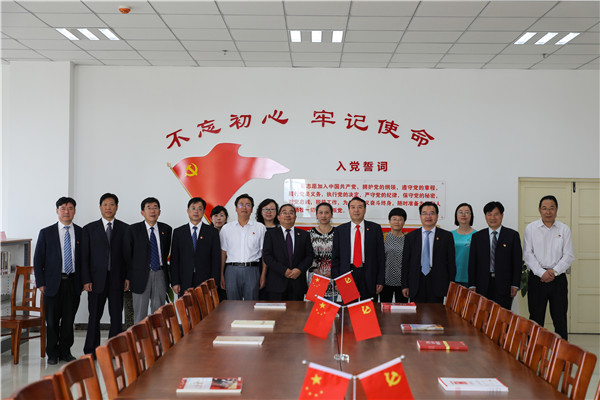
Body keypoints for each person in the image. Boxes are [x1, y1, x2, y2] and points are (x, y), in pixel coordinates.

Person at [33, 197, 82, 364]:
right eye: (63, 208)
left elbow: (85, 259)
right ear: (57, 211)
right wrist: (40, 283)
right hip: (52, 283)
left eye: (70, 208)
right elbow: (38, 260)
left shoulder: (81, 232)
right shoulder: (46, 233)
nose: (66, 211)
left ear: (74, 211)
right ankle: (52, 353)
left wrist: (84, 281)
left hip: (73, 282)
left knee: (68, 320)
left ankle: (65, 352)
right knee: (52, 321)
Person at [81, 193, 129, 356]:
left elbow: (128, 256)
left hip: (117, 279)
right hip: (95, 281)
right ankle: (91, 350)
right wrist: (86, 279)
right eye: (105, 204)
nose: (108, 208)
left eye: (112, 204)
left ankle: (113, 351)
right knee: (94, 316)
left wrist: (127, 277)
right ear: (100, 207)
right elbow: (84, 257)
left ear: (117, 207)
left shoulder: (125, 228)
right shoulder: (89, 229)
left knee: (116, 317)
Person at [524, 195, 574, 340]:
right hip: (537, 279)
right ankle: (533, 350)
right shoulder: (531, 228)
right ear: (539, 210)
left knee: (560, 318)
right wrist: (541, 273)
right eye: (544, 208)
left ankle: (562, 352)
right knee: (536, 318)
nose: (548, 212)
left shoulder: (564, 229)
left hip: (558, 279)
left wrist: (554, 271)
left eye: (551, 208)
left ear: (556, 209)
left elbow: (569, 255)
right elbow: (528, 254)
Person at [124, 197, 172, 323]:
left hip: (160, 274)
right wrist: (127, 277)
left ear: (159, 212)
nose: (152, 211)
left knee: (159, 313)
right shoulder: (133, 230)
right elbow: (127, 256)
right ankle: (140, 336)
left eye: (155, 208)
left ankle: (158, 335)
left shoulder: (166, 229)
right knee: (140, 314)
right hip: (139, 276)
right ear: (142, 212)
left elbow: (165, 252)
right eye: (149, 208)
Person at [469, 201, 522, 310]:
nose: (492, 218)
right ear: (485, 216)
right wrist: (472, 284)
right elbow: (472, 262)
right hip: (482, 285)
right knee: (483, 315)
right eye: (489, 214)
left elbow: (517, 262)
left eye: (496, 214)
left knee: (502, 316)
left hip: (504, 285)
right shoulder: (477, 237)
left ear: (502, 215)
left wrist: (515, 284)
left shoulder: (512, 235)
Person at [402, 201, 456, 303]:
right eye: (424, 213)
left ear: (437, 216)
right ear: (420, 216)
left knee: (436, 312)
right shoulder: (410, 237)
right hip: (416, 281)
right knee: (416, 312)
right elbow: (405, 263)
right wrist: (405, 285)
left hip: (438, 281)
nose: (428, 216)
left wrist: (451, 285)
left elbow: (451, 263)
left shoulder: (446, 236)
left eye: (432, 213)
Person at [332, 197, 385, 299]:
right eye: (353, 207)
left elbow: (381, 257)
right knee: (349, 306)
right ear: (349, 210)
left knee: (368, 306)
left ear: (365, 210)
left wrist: (380, 280)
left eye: (360, 207)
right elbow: (335, 258)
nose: (356, 210)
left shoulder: (375, 229)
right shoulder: (340, 230)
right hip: (347, 274)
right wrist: (337, 280)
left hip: (369, 273)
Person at [171, 197, 221, 297]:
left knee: (205, 307)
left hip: (205, 281)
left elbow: (216, 259)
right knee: (186, 306)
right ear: (188, 211)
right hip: (184, 280)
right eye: (193, 208)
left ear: (203, 212)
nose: (196, 211)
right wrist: (175, 282)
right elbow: (175, 259)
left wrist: (214, 282)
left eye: (199, 209)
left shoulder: (212, 232)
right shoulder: (178, 232)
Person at [220, 194, 267, 300]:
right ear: (236, 208)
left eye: (248, 205)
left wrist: (263, 275)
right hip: (231, 270)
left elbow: (264, 253)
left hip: (252, 270)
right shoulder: (226, 228)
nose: (244, 207)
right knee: (232, 305)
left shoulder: (260, 228)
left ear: (252, 209)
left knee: (251, 304)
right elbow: (223, 252)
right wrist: (221, 274)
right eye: (241, 205)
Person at [263, 204, 314, 300]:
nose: (288, 215)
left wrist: (299, 269)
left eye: (291, 213)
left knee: (297, 310)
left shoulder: (304, 235)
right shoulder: (270, 234)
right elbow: (267, 256)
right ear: (278, 217)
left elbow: (309, 256)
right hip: (277, 284)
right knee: (276, 310)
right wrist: (283, 270)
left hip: (297, 283)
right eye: (284, 212)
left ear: (295, 217)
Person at [308, 202, 337, 301]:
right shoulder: (309, 234)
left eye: (327, 212)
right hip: (315, 276)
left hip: (333, 276)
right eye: (320, 213)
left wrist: (333, 271)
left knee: (331, 307)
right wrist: (316, 271)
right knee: (316, 308)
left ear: (331, 215)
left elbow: (342, 254)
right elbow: (307, 255)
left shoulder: (338, 233)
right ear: (316, 215)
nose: (324, 215)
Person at [381, 207, 408, 303]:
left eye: (400, 219)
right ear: (389, 221)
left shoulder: (408, 239)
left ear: (404, 222)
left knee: (402, 309)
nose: (397, 222)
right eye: (394, 219)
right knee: (385, 308)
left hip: (402, 283)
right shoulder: (383, 237)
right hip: (385, 281)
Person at [452, 203, 476, 287]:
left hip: (471, 278)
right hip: (453, 277)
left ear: (471, 216)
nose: (463, 215)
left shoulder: (477, 235)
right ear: (456, 215)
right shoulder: (449, 235)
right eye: (460, 212)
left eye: (467, 212)